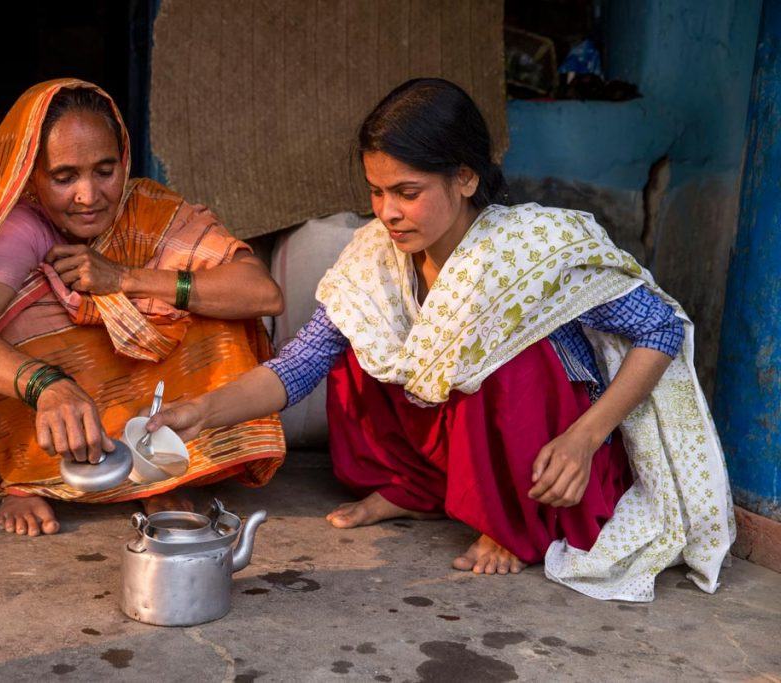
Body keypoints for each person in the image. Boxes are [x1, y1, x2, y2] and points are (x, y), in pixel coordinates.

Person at [147, 78, 734, 601]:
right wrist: (203, 409)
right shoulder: (376, 258)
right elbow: (301, 364)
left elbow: (661, 326)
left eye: (408, 191)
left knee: (503, 358)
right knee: (361, 337)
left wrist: (585, 437)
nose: (389, 213)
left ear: (465, 177)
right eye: (377, 192)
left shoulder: (536, 245)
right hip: (461, 443)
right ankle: (422, 487)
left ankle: (510, 521)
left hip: (554, 454)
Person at [0, 80, 286, 536]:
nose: (89, 196)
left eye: (105, 171)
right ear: (32, 175)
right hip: (52, 406)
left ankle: (155, 469)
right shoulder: (22, 226)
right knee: (24, 314)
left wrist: (124, 278)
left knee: (205, 306)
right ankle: (29, 476)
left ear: (124, 159)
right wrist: (47, 386)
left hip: (145, 384)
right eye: (64, 178)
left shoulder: (150, 209)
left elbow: (263, 294)